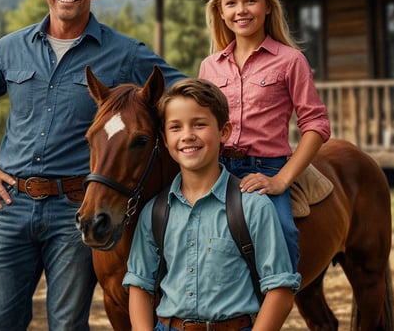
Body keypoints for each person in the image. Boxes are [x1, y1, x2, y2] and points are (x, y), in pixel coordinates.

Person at [0, 0, 185, 330]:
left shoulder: (125, 52)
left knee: (67, 325)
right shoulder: (10, 48)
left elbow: (184, 93)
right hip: (12, 205)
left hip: (77, 208)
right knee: (2, 323)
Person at [123, 78, 301, 331]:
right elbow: (139, 285)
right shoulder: (155, 213)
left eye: (199, 124)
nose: (187, 136)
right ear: (164, 139)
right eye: (176, 127)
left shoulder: (252, 207)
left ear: (224, 132)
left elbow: (280, 289)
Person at [198, 0, 331, 271]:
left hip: (267, 167)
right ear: (220, 11)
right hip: (215, 170)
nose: (241, 10)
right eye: (231, 3)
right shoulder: (209, 66)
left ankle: (278, 298)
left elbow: (316, 125)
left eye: (250, 0)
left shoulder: (290, 60)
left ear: (268, 6)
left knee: (282, 233)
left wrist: (281, 180)